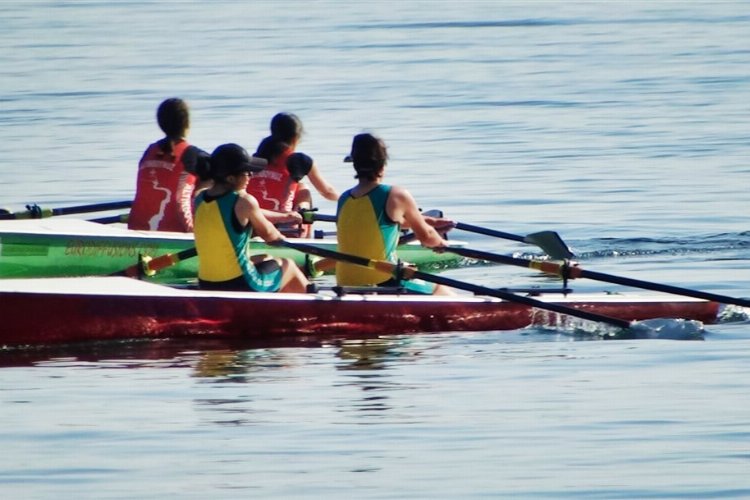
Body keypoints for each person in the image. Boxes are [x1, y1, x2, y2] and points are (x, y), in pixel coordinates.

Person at [335, 133, 455, 295]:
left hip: (345, 281)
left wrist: (430, 221)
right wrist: (441, 243)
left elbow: (378, 225)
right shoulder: (396, 194)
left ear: (354, 164)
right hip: (382, 280)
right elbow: (426, 237)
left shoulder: (344, 198)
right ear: (383, 165)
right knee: (442, 290)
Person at [193, 143, 309, 293]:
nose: (251, 176)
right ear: (231, 178)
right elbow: (270, 237)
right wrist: (281, 236)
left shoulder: (200, 198)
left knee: (264, 258)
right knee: (288, 265)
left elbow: (248, 212)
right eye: (247, 172)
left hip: (206, 284)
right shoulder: (244, 201)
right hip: (240, 284)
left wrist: (285, 216)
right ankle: (317, 309)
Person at [248, 112, 339, 237]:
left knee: (300, 185)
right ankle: (305, 240)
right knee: (303, 190)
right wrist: (346, 199)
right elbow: (327, 192)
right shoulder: (300, 160)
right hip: (283, 224)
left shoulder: (254, 158)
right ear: (296, 137)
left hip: (253, 221)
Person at [128, 98, 199, 232]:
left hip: (136, 228)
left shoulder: (149, 151)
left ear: (161, 124)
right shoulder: (192, 154)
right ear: (187, 123)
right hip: (175, 233)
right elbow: (180, 202)